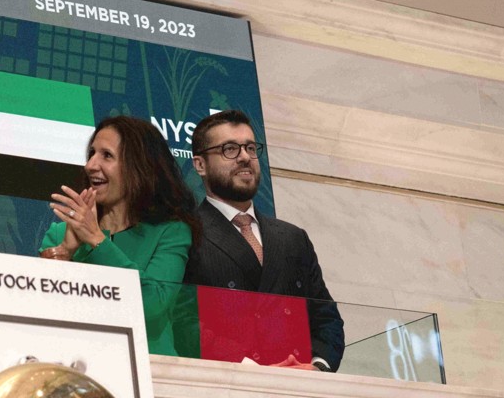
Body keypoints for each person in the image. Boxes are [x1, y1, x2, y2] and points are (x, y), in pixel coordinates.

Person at [182, 110, 344, 371]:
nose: (245, 157)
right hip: (227, 384)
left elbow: (326, 318)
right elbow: (181, 320)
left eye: (250, 148)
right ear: (200, 165)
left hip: (300, 386)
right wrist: (252, 370)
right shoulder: (186, 232)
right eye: (229, 149)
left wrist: (316, 367)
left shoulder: (293, 238)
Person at [39, 115, 198, 357]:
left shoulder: (171, 232)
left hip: (150, 367)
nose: (90, 165)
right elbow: (40, 310)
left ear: (139, 167)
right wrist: (65, 252)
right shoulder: (60, 234)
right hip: (77, 365)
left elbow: (152, 308)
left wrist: (97, 241)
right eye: (91, 153)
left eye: (107, 155)